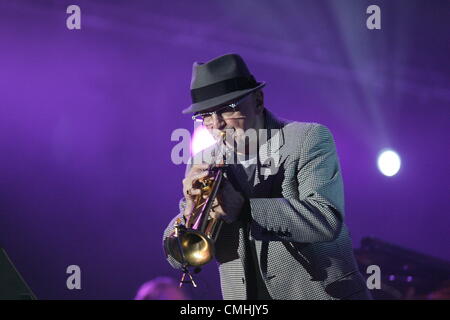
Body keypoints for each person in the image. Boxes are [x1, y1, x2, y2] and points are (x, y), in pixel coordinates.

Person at [163, 53, 371, 300]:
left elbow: (325, 219)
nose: (217, 124)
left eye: (228, 109)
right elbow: (180, 257)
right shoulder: (202, 160)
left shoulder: (308, 138)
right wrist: (189, 211)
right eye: (206, 115)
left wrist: (245, 209)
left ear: (258, 101)